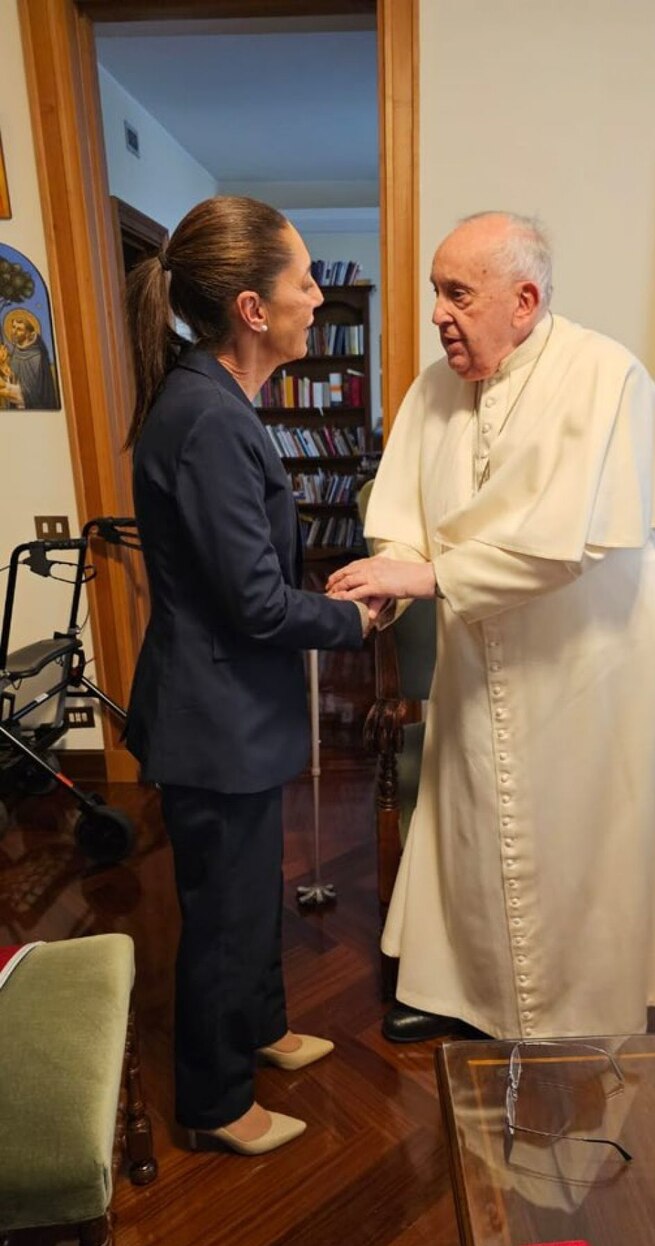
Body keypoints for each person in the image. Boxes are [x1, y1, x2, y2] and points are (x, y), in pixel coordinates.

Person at [328, 211, 655, 1044]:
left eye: (456, 293)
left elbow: (570, 542)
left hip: (594, 653)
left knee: (585, 829)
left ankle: (584, 1006)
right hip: (485, 647)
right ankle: (465, 991)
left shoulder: (602, 375)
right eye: (436, 291)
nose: (438, 311)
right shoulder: (436, 385)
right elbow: (405, 514)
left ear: (525, 298)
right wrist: (390, 578)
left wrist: (431, 575)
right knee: (474, 817)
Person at [124, 196, 372, 1154]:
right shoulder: (209, 418)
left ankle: (262, 1028)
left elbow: (249, 582)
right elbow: (257, 605)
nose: (320, 295)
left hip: (232, 708)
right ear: (252, 308)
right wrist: (350, 616)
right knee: (222, 915)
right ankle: (217, 1102)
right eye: (304, 277)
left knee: (253, 886)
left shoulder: (215, 400)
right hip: (213, 717)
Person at [2, 312, 59, 408]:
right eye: (13, 327)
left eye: (19, 329)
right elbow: (13, 378)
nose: (14, 331)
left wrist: (8, 389)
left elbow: (35, 392)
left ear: (28, 334)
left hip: (32, 405)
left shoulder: (37, 357)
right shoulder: (16, 353)